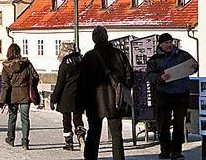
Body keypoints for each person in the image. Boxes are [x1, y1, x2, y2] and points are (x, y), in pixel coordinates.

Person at [77, 26, 133, 160]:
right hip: (115, 100)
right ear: (106, 37)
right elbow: (129, 77)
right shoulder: (119, 54)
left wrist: (80, 105)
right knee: (116, 133)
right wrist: (122, 90)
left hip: (94, 102)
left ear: (93, 39)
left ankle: (90, 158)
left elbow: (82, 83)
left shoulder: (89, 56)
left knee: (94, 133)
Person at [146, 33, 198, 160]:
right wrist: (159, 78)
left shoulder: (182, 54)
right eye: (166, 43)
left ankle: (176, 152)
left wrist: (195, 66)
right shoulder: (154, 59)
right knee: (163, 123)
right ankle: (164, 150)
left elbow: (194, 65)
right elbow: (149, 75)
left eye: (170, 42)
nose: (169, 45)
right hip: (165, 93)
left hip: (181, 93)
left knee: (179, 123)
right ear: (161, 44)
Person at [0, 43, 39, 150]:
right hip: (25, 94)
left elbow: (5, 85)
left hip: (12, 96)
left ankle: (11, 139)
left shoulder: (6, 67)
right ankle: (25, 142)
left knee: (12, 118)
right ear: (19, 52)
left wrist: (1, 100)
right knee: (25, 118)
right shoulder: (26, 64)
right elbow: (35, 76)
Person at [50, 41, 85, 151]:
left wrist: (53, 99)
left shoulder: (65, 64)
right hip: (79, 94)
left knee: (66, 118)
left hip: (66, 96)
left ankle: (69, 143)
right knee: (78, 117)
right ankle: (81, 136)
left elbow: (60, 84)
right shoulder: (81, 61)